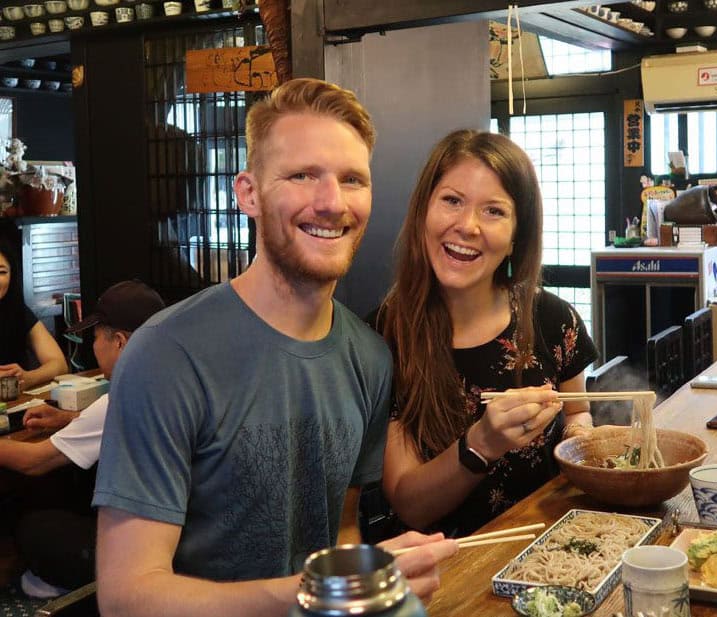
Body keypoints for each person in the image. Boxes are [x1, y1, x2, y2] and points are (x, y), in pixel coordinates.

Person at [92, 78, 458, 617]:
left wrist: (365, 586)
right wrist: (321, 590)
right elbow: (127, 597)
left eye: (352, 179)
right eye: (302, 175)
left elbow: (342, 528)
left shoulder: (370, 359)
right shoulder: (167, 354)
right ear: (248, 194)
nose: (332, 202)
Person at [373, 130, 599, 537]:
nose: (467, 226)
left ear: (516, 237)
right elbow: (410, 505)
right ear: (424, 209)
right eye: (452, 201)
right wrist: (481, 444)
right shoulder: (383, 337)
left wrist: (580, 444)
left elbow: (576, 411)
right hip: (443, 572)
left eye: (493, 211)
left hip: (548, 550)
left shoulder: (552, 319)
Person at [0, 280, 166, 597]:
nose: (92, 347)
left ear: (119, 341)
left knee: (33, 528)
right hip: (174, 528)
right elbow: (111, 425)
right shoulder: (168, 377)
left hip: (146, 548)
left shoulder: (125, 394)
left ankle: (81, 585)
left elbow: (34, 462)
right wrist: (68, 419)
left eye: (93, 337)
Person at [0, 240, 68, 390]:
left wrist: (27, 378)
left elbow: (59, 364)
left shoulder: (17, 311)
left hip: (12, 407)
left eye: (2, 272)